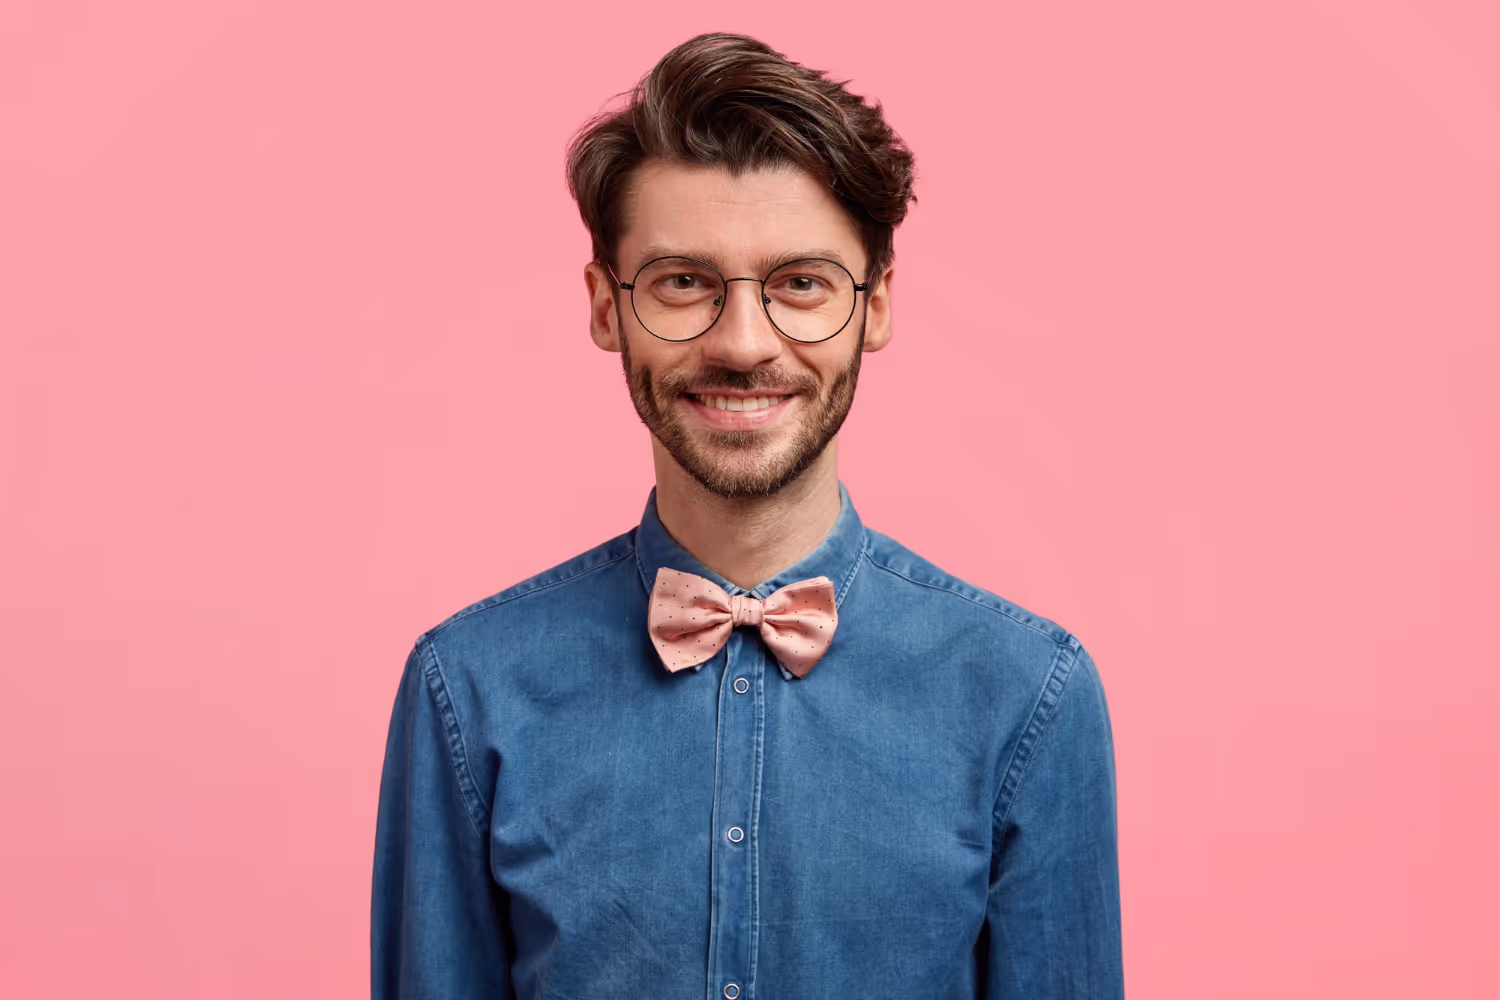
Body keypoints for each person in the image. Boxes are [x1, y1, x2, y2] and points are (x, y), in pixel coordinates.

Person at [371, 32, 1123, 999]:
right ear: (605, 307)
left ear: (875, 306)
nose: (742, 343)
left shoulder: (1030, 696)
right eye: (683, 281)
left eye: (800, 284)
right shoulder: (467, 689)